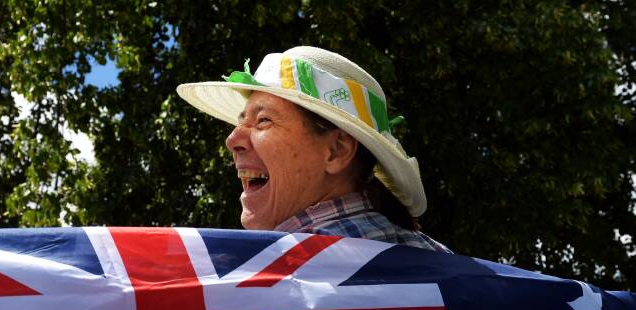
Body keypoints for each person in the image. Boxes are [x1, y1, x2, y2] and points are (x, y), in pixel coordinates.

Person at [177, 46, 448, 252]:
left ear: (336, 151)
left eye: (264, 120)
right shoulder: (444, 262)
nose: (232, 140)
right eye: (241, 121)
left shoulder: (284, 276)